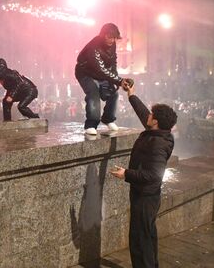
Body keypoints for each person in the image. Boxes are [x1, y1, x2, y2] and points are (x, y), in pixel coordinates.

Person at [110, 82, 178, 268]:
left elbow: (154, 175)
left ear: (155, 121)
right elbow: (143, 113)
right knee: (146, 235)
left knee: (141, 239)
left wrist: (127, 174)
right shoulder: (159, 132)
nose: (148, 115)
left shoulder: (157, 143)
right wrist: (132, 94)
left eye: (151, 115)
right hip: (146, 194)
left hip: (145, 196)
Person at [75, 22, 132, 135]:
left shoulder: (112, 44)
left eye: (114, 38)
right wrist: (119, 80)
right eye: (109, 37)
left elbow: (112, 62)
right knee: (93, 93)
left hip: (102, 73)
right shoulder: (94, 46)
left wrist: (116, 80)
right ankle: (91, 124)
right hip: (85, 73)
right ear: (103, 35)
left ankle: (108, 119)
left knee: (114, 93)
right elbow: (99, 68)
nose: (111, 40)